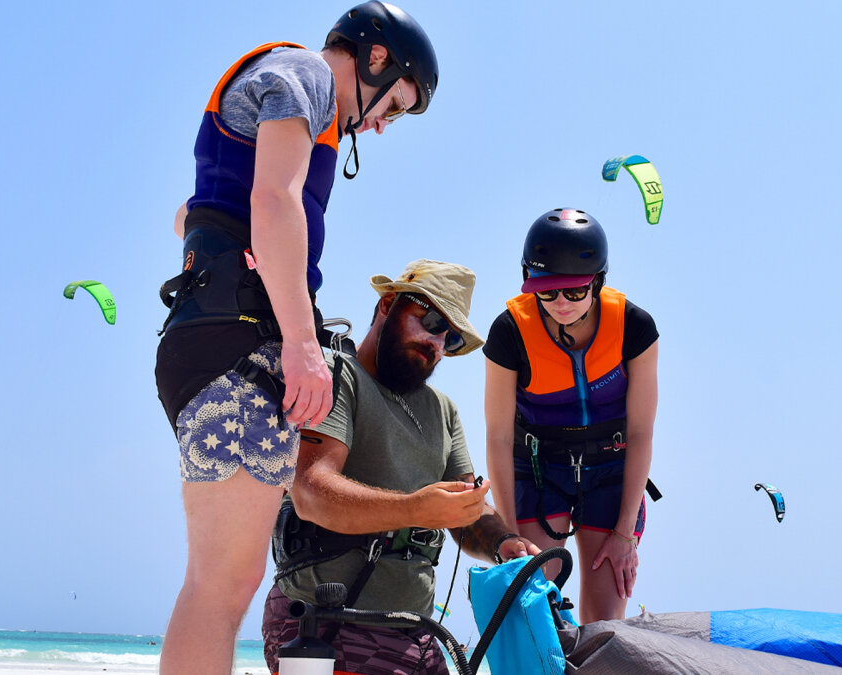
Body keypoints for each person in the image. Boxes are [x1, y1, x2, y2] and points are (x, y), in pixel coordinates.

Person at [154, 5, 439, 674]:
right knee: (222, 584)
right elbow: (275, 201)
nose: (380, 124)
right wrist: (304, 343)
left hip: (209, 338)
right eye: (392, 105)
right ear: (375, 59)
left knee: (219, 579)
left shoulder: (291, 97)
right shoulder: (307, 73)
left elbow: (188, 214)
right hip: (239, 345)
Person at [261, 260, 539, 675]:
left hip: (417, 638)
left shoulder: (443, 410)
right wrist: (415, 509)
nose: (437, 342)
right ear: (388, 305)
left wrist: (505, 544)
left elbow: (466, 509)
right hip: (327, 627)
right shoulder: (337, 376)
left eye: (450, 336)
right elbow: (310, 493)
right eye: (430, 320)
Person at [483, 208, 660, 623]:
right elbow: (498, 438)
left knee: (603, 626)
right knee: (531, 606)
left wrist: (623, 536)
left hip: (611, 467)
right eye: (546, 291)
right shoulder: (508, 331)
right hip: (539, 467)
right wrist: (507, 534)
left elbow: (640, 431)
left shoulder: (635, 326)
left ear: (598, 281)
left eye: (575, 292)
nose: (560, 303)